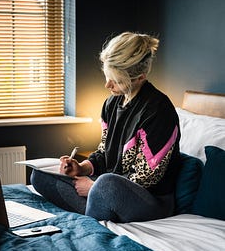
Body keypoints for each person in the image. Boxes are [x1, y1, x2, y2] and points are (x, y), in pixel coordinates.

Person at [30, 31, 181, 223]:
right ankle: (96, 207)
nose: (107, 84)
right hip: (108, 187)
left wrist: (93, 186)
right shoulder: (111, 103)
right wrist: (81, 169)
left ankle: (94, 208)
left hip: (150, 201)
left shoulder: (158, 111)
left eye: (116, 80)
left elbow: (146, 178)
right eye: (107, 75)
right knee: (40, 175)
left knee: (106, 184)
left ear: (140, 77)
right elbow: (103, 152)